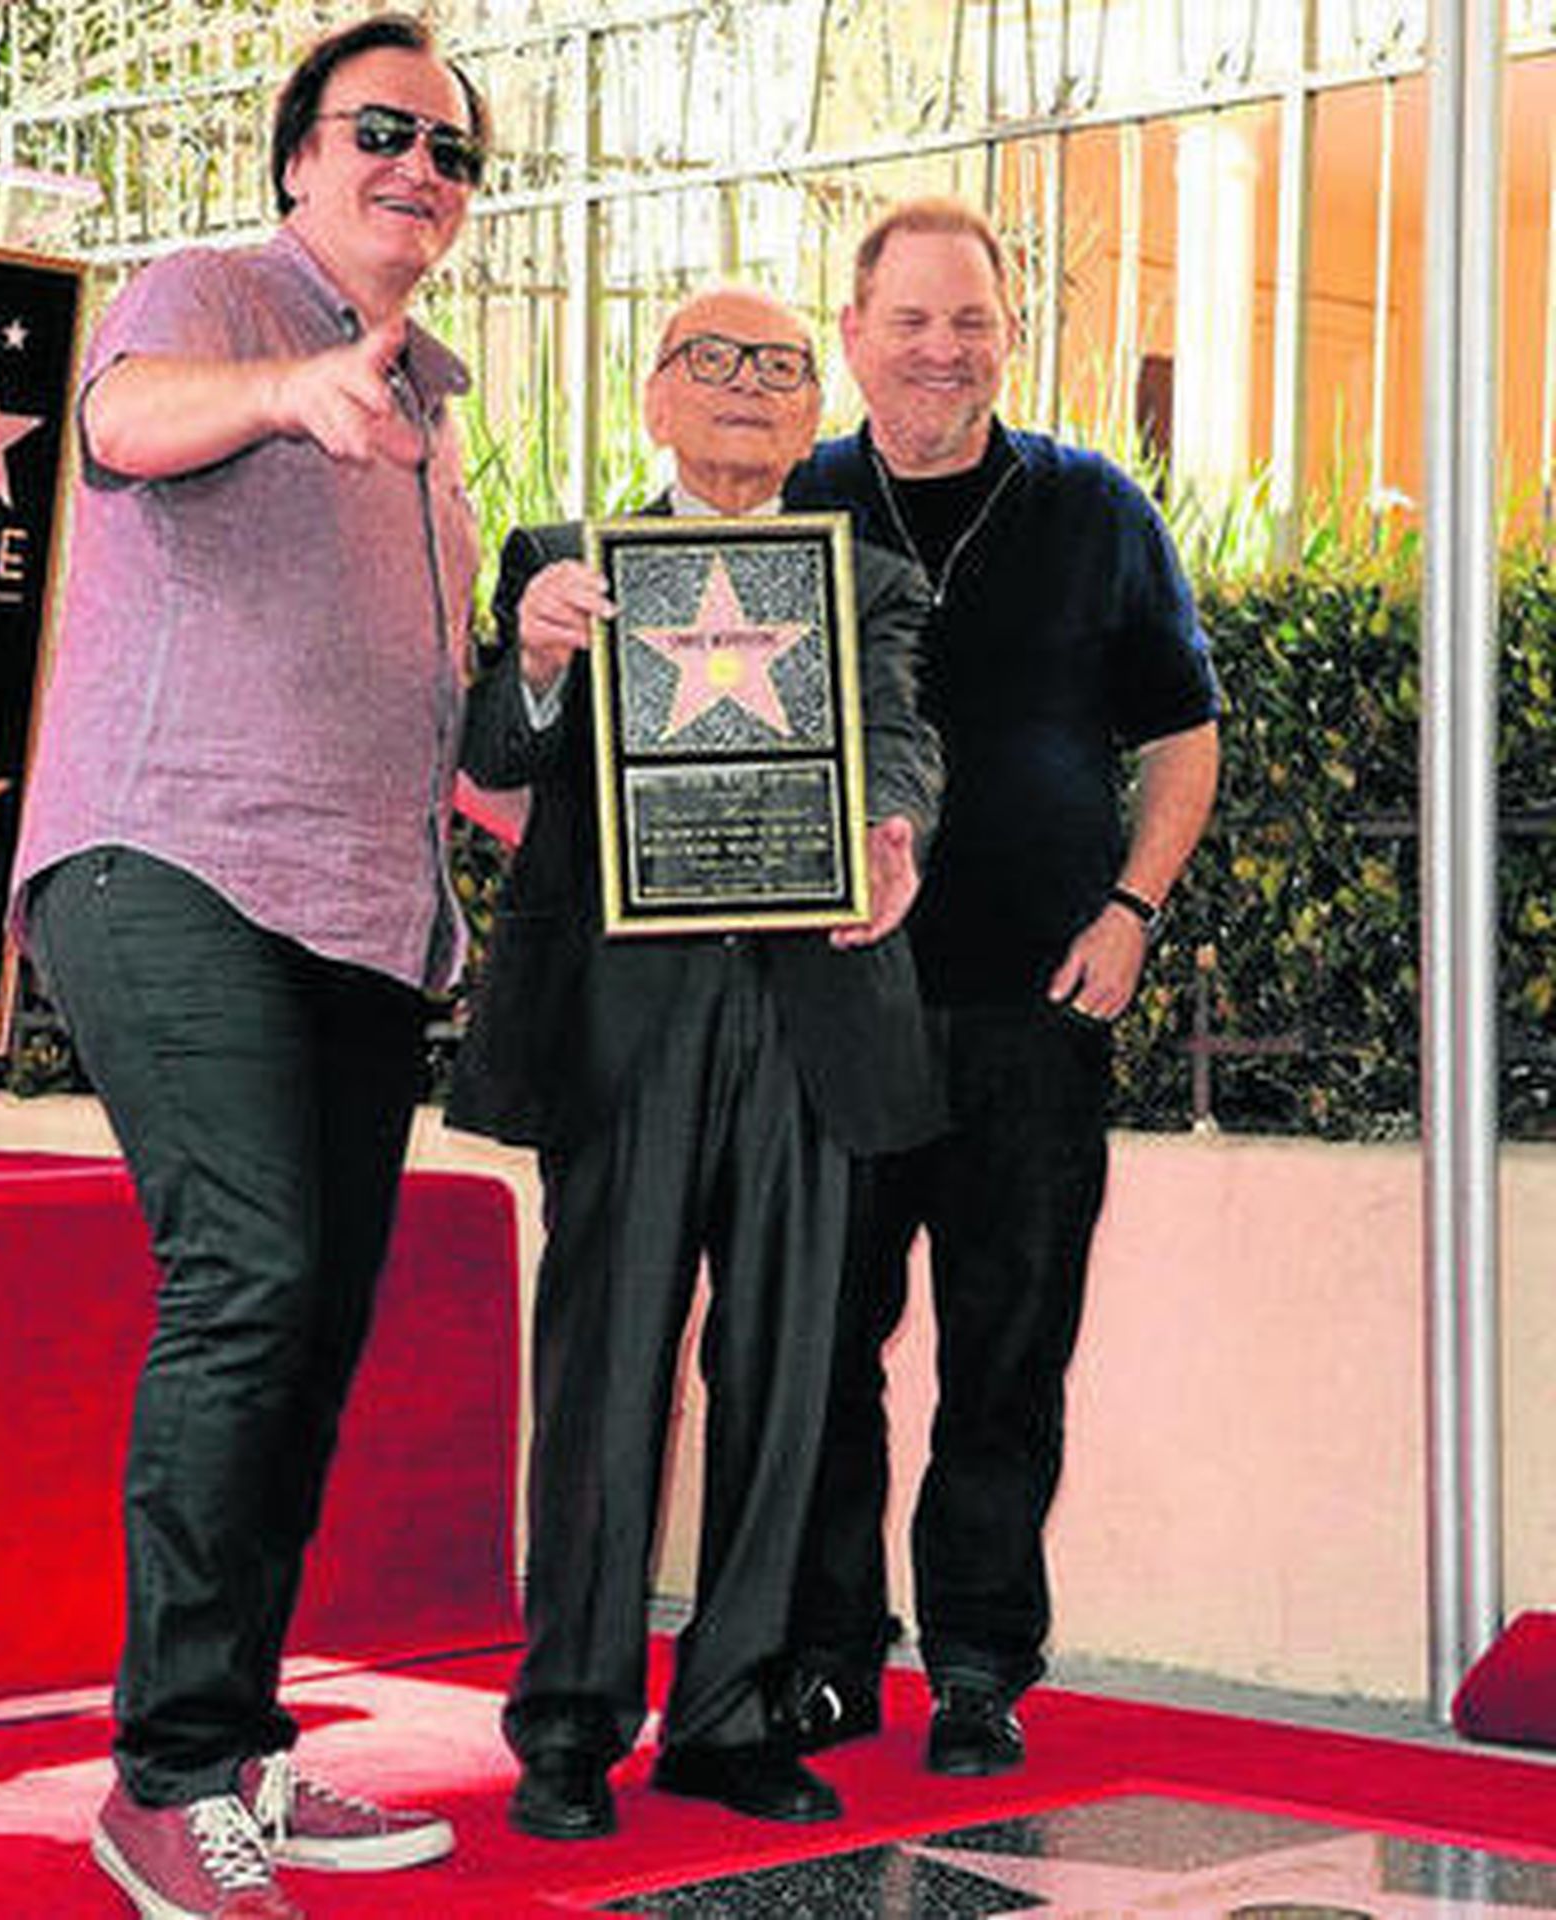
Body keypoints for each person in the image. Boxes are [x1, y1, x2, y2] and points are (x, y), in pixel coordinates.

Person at [8, 15, 488, 1917]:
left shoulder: (434, 408)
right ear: (297, 155)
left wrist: (557, 704)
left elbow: (434, 724)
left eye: (453, 154)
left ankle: (240, 1746)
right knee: (253, 1276)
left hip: (364, 913)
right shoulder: (206, 296)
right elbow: (117, 429)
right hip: (169, 862)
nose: (419, 172)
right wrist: (286, 395)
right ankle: (167, 1777)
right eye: (383, 132)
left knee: (313, 1321)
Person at [446, 285, 944, 1841]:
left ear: (814, 413)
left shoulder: (865, 577)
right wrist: (532, 665)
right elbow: (491, 755)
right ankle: (570, 1724)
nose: (747, 388)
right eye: (711, 363)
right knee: (601, 1374)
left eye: (780, 368)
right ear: (653, 398)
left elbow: (907, 736)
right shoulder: (560, 564)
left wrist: (896, 830)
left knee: (787, 1375)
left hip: (813, 1011)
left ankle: (729, 1713)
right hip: (624, 1026)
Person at [777, 197, 1221, 1777]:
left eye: (972, 321)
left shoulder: (1095, 509)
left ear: (1008, 338)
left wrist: (1133, 909)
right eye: (911, 320)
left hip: (1039, 1009)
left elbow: (1182, 729)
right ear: (854, 334)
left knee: (1007, 1347)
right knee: (813, 1344)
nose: (942, 350)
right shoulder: (790, 501)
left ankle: (977, 1663)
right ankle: (824, 1659)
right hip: (834, 1011)